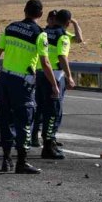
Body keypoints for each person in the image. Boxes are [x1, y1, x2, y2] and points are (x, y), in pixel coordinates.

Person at [0, 0, 59, 174]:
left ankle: (6, 159)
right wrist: (54, 85)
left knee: (4, 119)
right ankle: (22, 161)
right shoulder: (39, 34)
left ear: (24, 10)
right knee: (24, 121)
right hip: (23, 84)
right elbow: (45, 62)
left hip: (5, 79)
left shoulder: (11, 28)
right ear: (41, 14)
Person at [30, 12, 83, 147]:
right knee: (54, 109)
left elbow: (78, 39)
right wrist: (69, 76)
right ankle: (49, 138)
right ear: (67, 23)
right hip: (54, 75)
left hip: (41, 73)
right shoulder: (62, 36)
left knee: (41, 107)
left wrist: (75, 24)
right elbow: (62, 57)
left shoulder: (43, 32)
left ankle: (37, 136)